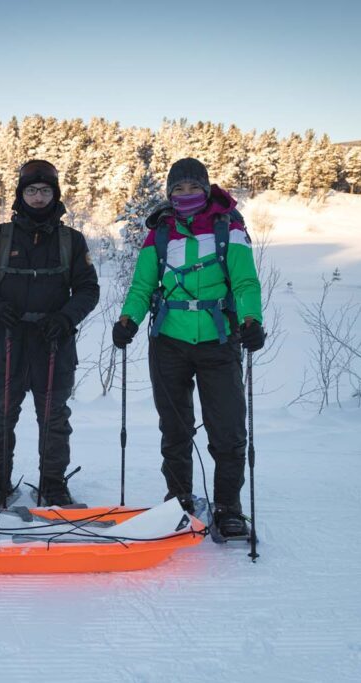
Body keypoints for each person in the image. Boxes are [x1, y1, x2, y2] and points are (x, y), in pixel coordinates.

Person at [111, 158, 265, 538]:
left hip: (219, 340)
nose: (185, 195)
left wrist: (251, 321)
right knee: (175, 430)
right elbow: (142, 287)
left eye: (192, 188)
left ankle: (228, 507)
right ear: (169, 193)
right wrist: (128, 319)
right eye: (177, 189)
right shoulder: (160, 233)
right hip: (169, 343)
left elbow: (245, 283)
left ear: (206, 188)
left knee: (227, 430)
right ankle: (178, 499)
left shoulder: (230, 229)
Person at [0, 160, 100, 507]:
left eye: (45, 191)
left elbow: (88, 289)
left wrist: (66, 318)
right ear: (20, 194)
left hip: (53, 342)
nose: (38, 197)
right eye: (31, 190)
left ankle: (53, 484)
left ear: (55, 195)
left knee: (54, 419)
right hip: (6, 341)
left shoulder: (72, 240)